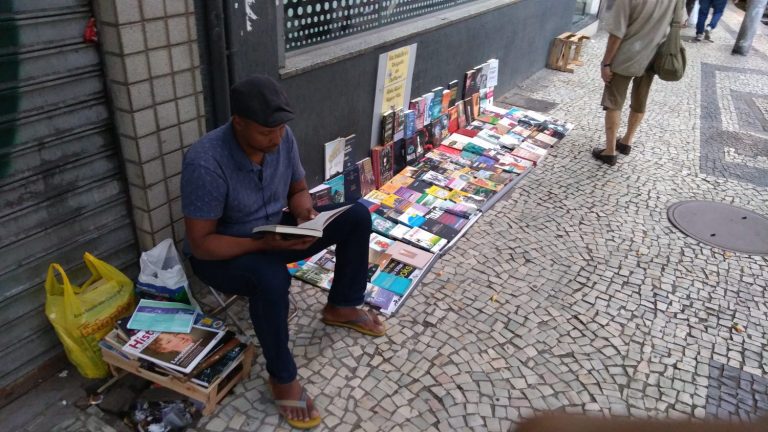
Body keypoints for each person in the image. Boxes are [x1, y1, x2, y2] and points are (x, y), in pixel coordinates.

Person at [181, 75, 385, 429]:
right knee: (271, 278)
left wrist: (305, 214)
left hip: (274, 234)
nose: (275, 138)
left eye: (280, 129)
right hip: (226, 255)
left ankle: (341, 305)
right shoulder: (205, 161)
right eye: (265, 132)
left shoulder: (280, 137)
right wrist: (261, 244)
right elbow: (201, 244)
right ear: (238, 123)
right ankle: (281, 375)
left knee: (355, 216)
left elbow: (299, 189)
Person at [593, 0, 686, 166]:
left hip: (625, 57)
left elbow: (617, 34)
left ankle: (610, 152)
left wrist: (606, 63)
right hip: (652, 56)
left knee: (614, 102)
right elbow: (681, 22)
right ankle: (627, 141)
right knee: (640, 99)